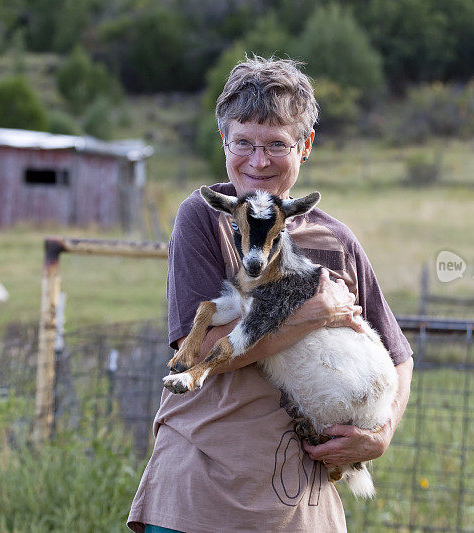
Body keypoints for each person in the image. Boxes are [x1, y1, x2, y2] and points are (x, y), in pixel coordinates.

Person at [128, 56, 413, 533]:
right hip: (200, 497)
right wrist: (313, 314)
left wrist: (380, 435)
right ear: (224, 142)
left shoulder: (335, 241)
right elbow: (195, 350)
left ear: (305, 147)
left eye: (277, 144)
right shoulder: (204, 218)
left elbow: (399, 354)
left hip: (299, 506)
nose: (257, 162)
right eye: (243, 142)